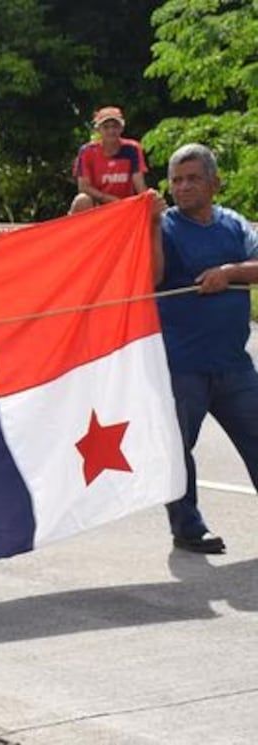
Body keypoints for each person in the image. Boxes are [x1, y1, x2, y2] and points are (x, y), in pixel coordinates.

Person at [154, 143, 258, 555]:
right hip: (182, 365)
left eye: (193, 178)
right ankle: (187, 526)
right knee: (178, 449)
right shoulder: (164, 227)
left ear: (214, 183)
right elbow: (152, 275)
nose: (183, 187)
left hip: (234, 364)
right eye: (177, 180)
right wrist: (147, 224)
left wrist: (230, 272)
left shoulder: (233, 224)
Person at [70, 106, 148, 214]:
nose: (111, 131)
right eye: (106, 127)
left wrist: (146, 202)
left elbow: (140, 185)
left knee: (152, 199)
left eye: (115, 126)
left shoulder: (132, 149)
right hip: (98, 205)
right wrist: (108, 199)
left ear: (121, 128)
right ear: (98, 130)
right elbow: (83, 186)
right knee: (82, 200)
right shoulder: (87, 151)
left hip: (126, 204)